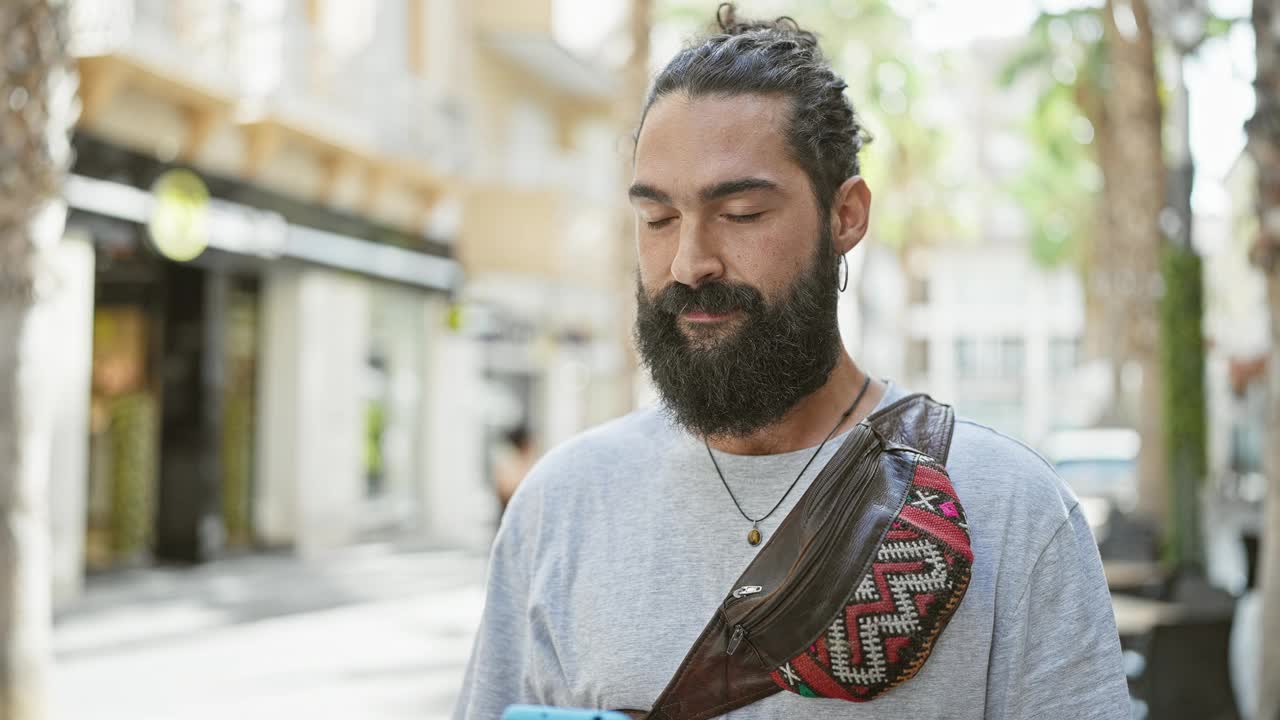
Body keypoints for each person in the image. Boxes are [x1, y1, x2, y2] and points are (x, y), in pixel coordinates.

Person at [454, 6, 1129, 718]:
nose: (689, 262)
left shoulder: (1012, 512)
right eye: (657, 219)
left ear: (846, 217)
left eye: (741, 213)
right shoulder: (562, 506)